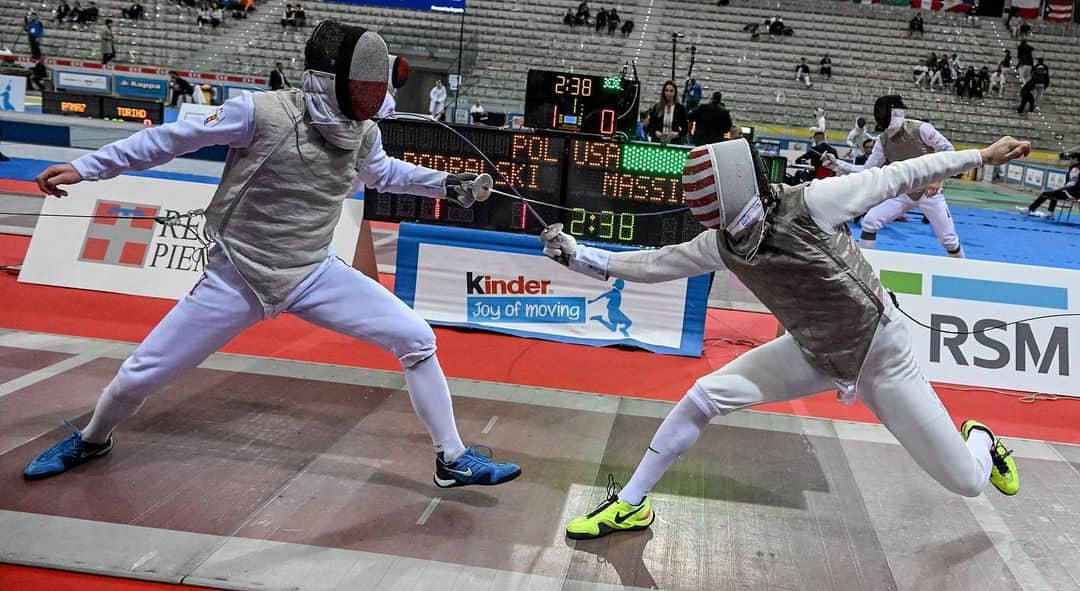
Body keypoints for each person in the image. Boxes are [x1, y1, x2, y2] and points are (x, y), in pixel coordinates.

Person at [24, 21, 522, 490]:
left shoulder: (364, 132)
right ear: (332, 81)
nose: (374, 97)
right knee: (141, 375)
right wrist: (88, 166)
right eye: (364, 85)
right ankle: (92, 440)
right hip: (238, 276)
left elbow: (383, 173)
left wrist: (445, 183)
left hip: (312, 272)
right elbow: (170, 139)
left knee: (416, 338)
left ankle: (452, 459)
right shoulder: (260, 112)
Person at [541, 134, 1028, 540]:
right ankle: (631, 503)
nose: (738, 231)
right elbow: (656, 263)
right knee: (703, 396)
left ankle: (981, 440)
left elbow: (898, 175)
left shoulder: (813, 202)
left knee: (967, 481)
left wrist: (981, 157)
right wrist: (581, 256)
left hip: (880, 355)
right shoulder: (722, 244)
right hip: (812, 351)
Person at [828, 95, 966, 258]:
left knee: (949, 240)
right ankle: (866, 267)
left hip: (930, 193)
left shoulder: (922, 129)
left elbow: (948, 150)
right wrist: (838, 164)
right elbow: (867, 168)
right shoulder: (882, 140)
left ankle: (964, 274)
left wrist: (938, 179)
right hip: (903, 192)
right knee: (870, 222)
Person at [1019, 153, 1079, 218]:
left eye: (1071, 159)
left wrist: (1059, 189)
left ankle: (1030, 209)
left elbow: (1072, 183)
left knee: (1045, 194)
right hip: (1074, 193)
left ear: (1075, 159)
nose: (1069, 160)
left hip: (1072, 194)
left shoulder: (1075, 169)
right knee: (1054, 193)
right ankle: (1050, 213)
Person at [645, 80, 687, 144]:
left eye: (671, 91)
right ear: (663, 92)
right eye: (666, 90)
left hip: (674, 143)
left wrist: (677, 134)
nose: (668, 93)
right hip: (657, 141)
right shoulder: (657, 107)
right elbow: (650, 125)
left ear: (675, 93)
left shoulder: (680, 108)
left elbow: (685, 128)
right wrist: (656, 132)